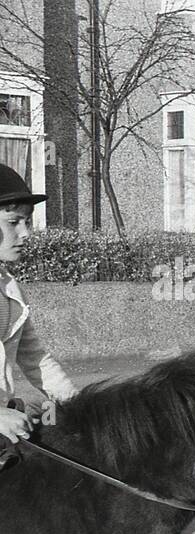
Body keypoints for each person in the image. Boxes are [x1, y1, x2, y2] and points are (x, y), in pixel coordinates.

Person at [0, 164, 77, 468]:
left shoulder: (10, 287)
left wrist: (80, 407)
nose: (25, 233)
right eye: (14, 222)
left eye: (28, 222)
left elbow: (36, 360)